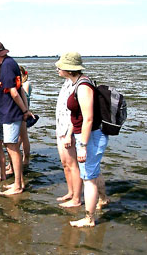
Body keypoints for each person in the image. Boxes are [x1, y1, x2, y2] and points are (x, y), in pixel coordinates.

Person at [57, 52, 109, 227]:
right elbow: (77, 116)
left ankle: (89, 218)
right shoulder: (77, 83)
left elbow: (88, 119)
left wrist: (83, 146)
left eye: (61, 66)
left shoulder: (83, 86)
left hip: (91, 136)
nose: (58, 68)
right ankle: (103, 200)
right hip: (85, 134)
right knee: (94, 172)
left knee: (88, 178)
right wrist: (71, 131)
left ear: (69, 69)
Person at [0, 41, 34, 195]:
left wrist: (25, 110)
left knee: (12, 148)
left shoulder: (6, 66)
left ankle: (18, 185)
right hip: (12, 112)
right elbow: (19, 89)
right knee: (12, 147)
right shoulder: (11, 62)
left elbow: (14, 92)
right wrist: (25, 110)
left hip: (11, 113)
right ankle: (17, 182)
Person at [55, 60, 82, 208]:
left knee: (73, 165)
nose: (57, 69)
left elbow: (78, 113)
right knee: (65, 164)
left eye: (61, 67)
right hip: (60, 128)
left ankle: (77, 199)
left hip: (69, 131)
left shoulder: (79, 85)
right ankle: (70, 192)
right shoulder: (67, 83)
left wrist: (69, 134)